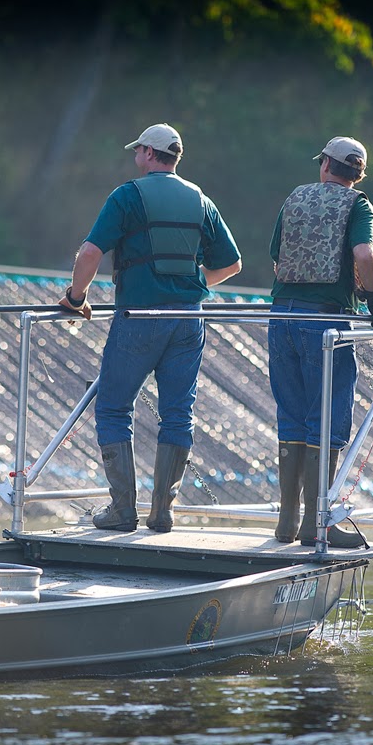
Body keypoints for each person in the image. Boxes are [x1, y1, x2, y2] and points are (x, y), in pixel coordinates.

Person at [57, 123, 242, 533]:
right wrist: (191, 288)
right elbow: (231, 264)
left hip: (139, 318)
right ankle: (162, 512)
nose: (134, 157)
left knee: (113, 406)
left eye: (137, 151)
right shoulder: (201, 200)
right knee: (178, 413)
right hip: (189, 319)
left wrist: (75, 297)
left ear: (147, 153)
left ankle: (123, 511)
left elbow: (89, 252)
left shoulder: (127, 196)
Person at [267, 136, 373, 548]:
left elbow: (276, 257)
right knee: (327, 416)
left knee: (292, 415)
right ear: (358, 175)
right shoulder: (358, 205)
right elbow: (364, 254)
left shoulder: (295, 198)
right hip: (324, 324)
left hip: (280, 316)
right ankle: (317, 523)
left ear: (325, 165)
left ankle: (287, 524)